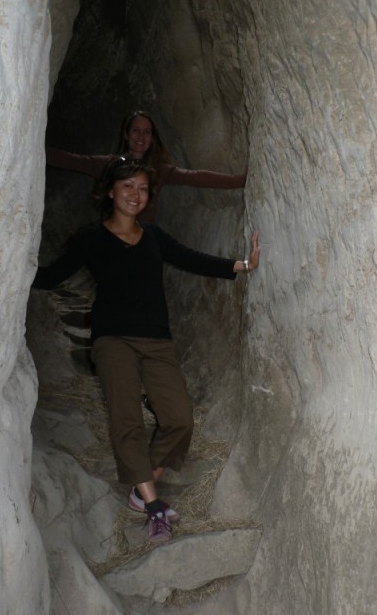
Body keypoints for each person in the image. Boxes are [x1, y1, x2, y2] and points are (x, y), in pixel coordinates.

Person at [32, 157, 260, 543]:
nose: (136, 195)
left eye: (142, 188)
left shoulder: (154, 236)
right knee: (127, 421)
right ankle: (155, 507)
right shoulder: (91, 238)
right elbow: (52, 275)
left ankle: (140, 487)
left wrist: (242, 264)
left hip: (156, 339)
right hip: (112, 340)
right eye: (127, 187)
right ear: (111, 192)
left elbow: (192, 258)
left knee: (179, 418)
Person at [46, 110, 247, 223]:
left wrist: (240, 181)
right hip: (115, 240)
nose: (141, 137)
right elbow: (72, 160)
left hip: (144, 241)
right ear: (126, 134)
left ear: (152, 138)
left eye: (147, 132)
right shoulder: (111, 165)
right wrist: (31, 148)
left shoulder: (160, 170)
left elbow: (196, 177)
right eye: (136, 131)